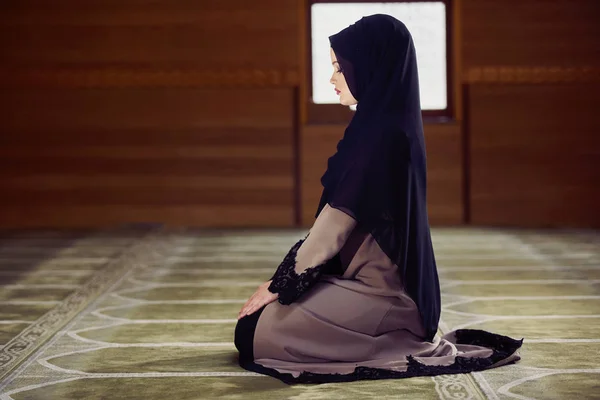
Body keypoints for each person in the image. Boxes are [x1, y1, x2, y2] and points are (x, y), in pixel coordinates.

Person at [234, 14, 523, 384]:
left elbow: (332, 232)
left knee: (254, 333)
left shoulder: (382, 137)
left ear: (370, 66)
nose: (332, 78)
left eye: (340, 67)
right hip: (363, 285)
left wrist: (276, 286)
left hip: (386, 297)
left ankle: (392, 341)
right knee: (255, 327)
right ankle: (377, 336)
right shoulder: (380, 127)